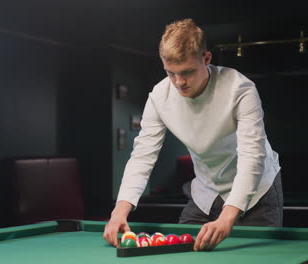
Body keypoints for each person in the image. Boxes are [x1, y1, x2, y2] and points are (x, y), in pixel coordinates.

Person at [103, 18, 283, 251]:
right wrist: (120, 210)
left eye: (187, 72)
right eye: (171, 73)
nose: (179, 83)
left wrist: (228, 217)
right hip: (205, 192)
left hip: (258, 192)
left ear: (206, 59)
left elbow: (252, 157)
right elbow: (142, 157)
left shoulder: (241, 89)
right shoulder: (159, 97)